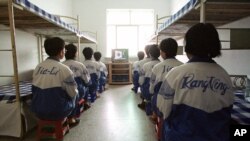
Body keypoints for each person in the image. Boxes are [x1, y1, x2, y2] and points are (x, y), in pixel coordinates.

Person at [157, 23, 234, 141]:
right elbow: (227, 112)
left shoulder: (175, 74)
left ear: (188, 46)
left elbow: (163, 110)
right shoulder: (224, 75)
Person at [31, 37, 80, 126]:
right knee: (75, 93)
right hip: (58, 112)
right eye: (64, 49)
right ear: (61, 51)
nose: (65, 51)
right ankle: (71, 119)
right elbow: (73, 93)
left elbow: (33, 90)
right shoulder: (64, 69)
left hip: (38, 111)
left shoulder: (38, 67)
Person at [150, 38, 183, 116]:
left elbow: (152, 88)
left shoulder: (157, 67)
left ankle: (155, 116)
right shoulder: (182, 66)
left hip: (161, 103)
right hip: (178, 104)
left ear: (162, 52)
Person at [63, 43, 91, 115]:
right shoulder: (80, 65)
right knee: (87, 86)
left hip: (63, 93)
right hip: (78, 92)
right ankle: (85, 103)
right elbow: (87, 81)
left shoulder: (61, 65)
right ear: (76, 53)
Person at [141, 44, 160, 115]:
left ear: (149, 53)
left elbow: (141, 80)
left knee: (145, 84)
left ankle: (149, 110)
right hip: (160, 92)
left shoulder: (145, 65)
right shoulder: (161, 64)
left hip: (148, 90)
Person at [137, 45, 152, 109]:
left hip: (146, 84)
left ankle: (144, 102)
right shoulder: (159, 62)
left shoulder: (142, 62)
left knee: (143, 84)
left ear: (145, 52)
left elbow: (141, 77)